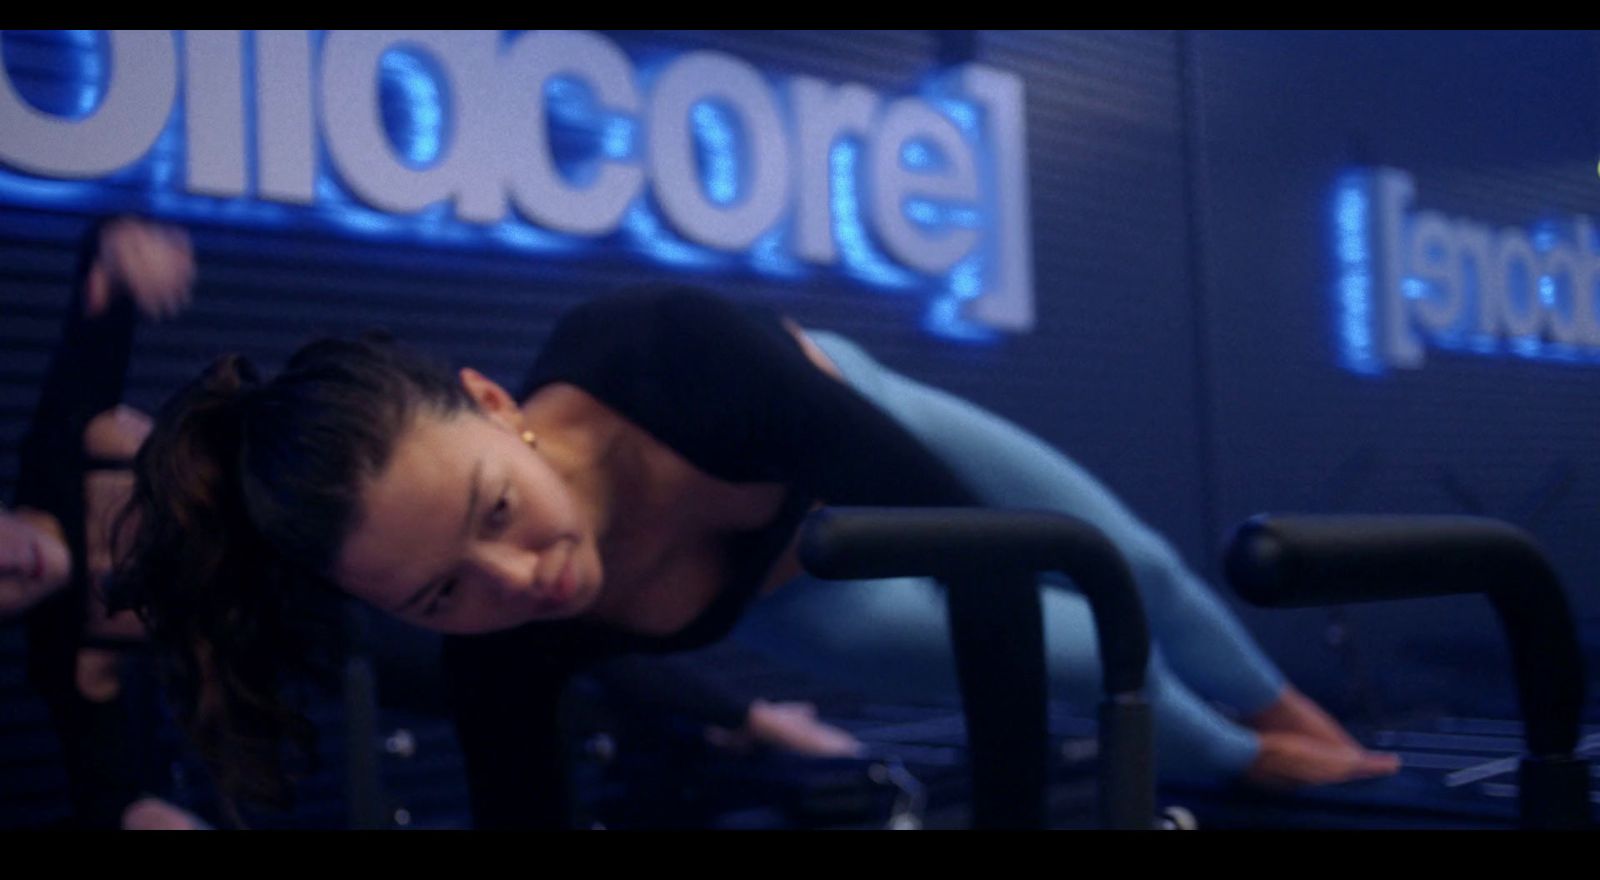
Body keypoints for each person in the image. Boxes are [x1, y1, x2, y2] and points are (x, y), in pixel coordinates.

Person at [112, 285, 1399, 828]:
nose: (520, 583)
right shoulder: (503, 645)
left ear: (495, 405)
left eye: (498, 510)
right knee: (1086, 666)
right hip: (785, 599)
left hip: (847, 427)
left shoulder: (679, 354)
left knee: (1131, 571)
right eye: (443, 591)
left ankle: (1310, 718)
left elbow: (992, 559)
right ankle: (1278, 767)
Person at [4, 215, 208, 829]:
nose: (9, 564)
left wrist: (119, 246)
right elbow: (111, 791)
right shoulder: (64, 659)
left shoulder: (58, 448)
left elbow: (95, 316)